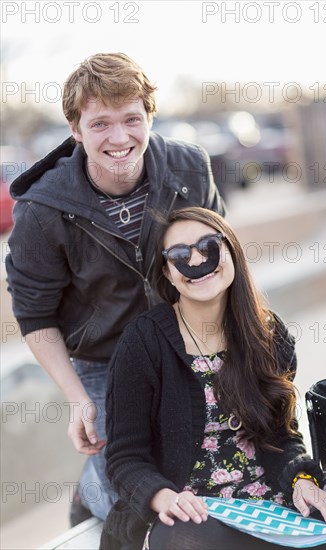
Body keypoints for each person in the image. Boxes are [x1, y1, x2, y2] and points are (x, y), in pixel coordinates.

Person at [5, 53, 225, 523]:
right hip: (102, 360)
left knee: (206, 476)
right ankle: (90, 488)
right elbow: (35, 317)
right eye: (100, 123)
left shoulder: (190, 169)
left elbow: (220, 260)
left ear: (150, 116)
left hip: (184, 339)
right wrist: (77, 399)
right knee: (135, 503)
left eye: (131, 118)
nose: (120, 137)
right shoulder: (42, 210)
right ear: (75, 129)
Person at [100, 207, 326, 550]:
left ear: (231, 251)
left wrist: (302, 480)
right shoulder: (143, 343)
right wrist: (163, 497)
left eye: (209, 245)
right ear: (167, 272)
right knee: (187, 540)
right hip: (193, 512)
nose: (196, 260)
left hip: (271, 500)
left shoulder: (269, 333)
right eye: (179, 254)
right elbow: (124, 458)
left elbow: (281, 436)